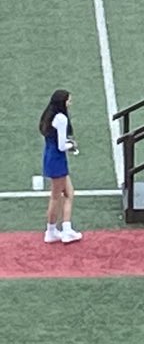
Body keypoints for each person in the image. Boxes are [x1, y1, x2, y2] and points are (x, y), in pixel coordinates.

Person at [39, 90, 82, 244]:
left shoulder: (48, 115)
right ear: (62, 102)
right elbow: (62, 145)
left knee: (68, 193)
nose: (70, 103)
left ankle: (64, 228)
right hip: (57, 159)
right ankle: (56, 231)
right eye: (68, 101)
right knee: (56, 197)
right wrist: (72, 144)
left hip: (50, 156)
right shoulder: (61, 118)